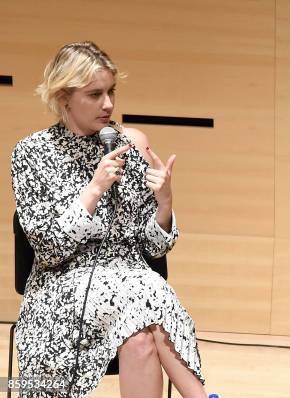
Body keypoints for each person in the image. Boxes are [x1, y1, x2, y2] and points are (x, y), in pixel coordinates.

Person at [11, 41, 207, 397]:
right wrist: (93, 189)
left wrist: (164, 204)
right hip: (63, 288)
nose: (109, 104)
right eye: (95, 94)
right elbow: (50, 251)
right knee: (149, 290)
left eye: (111, 91)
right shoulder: (31, 153)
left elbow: (152, 247)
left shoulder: (128, 146)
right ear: (63, 96)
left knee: (140, 342)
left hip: (131, 286)